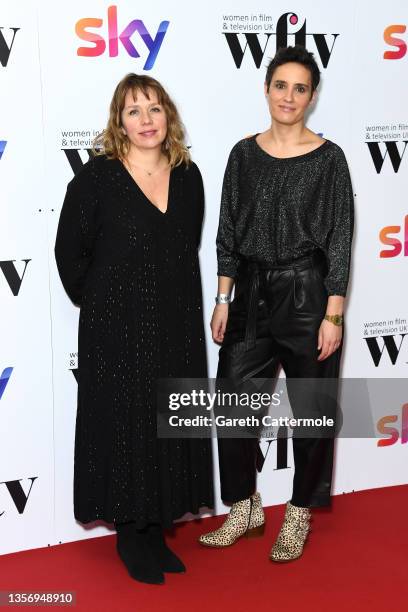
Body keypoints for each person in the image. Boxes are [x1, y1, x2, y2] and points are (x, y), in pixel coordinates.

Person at [55, 73, 213, 584]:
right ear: (118, 122)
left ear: (169, 116)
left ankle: (155, 529)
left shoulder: (190, 177)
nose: (146, 120)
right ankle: (130, 535)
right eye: (133, 111)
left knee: (165, 421)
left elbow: (184, 245)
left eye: (154, 109)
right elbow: (68, 255)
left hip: (175, 324)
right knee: (124, 425)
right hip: (114, 326)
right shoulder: (96, 178)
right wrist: (102, 301)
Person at [198, 45, 354, 562]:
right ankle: (244, 505)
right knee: (233, 402)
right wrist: (224, 298)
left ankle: (300, 512)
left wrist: (334, 313)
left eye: (300, 87)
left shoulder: (330, 158)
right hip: (250, 289)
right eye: (281, 85)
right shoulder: (243, 153)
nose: (289, 96)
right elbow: (226, 230)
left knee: (311, 413)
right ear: (266, 89)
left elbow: (340, 238)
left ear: (312, 97)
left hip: (308, 290)